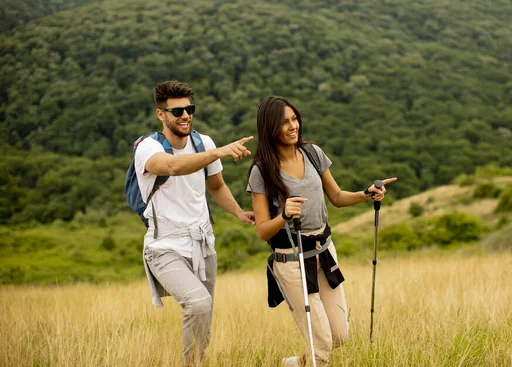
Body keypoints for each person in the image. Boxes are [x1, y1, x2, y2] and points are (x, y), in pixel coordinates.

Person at [246, 96, 396, 366]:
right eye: (284, 123)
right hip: (291, 261)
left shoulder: (313, 153)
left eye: (294, 119)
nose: (293, 126)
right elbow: (263, 231)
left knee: (339, 335)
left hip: (324, 252)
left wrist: (366, 194)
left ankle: (294, 364)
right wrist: (283, 215)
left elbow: (337, 196)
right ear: (270, 129)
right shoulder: (262, 172)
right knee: (321, 342)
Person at [134, 80, 255, 366]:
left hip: (202, 242)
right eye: (177, 111)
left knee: (205, 318)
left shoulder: (204, 143)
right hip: (164, 245)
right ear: (160, 114)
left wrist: (239, 212)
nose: (186, 115)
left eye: (190, 109)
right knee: (198, 303)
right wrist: (218, 153)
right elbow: (173, 167)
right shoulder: (147, 147)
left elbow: (215, 186)